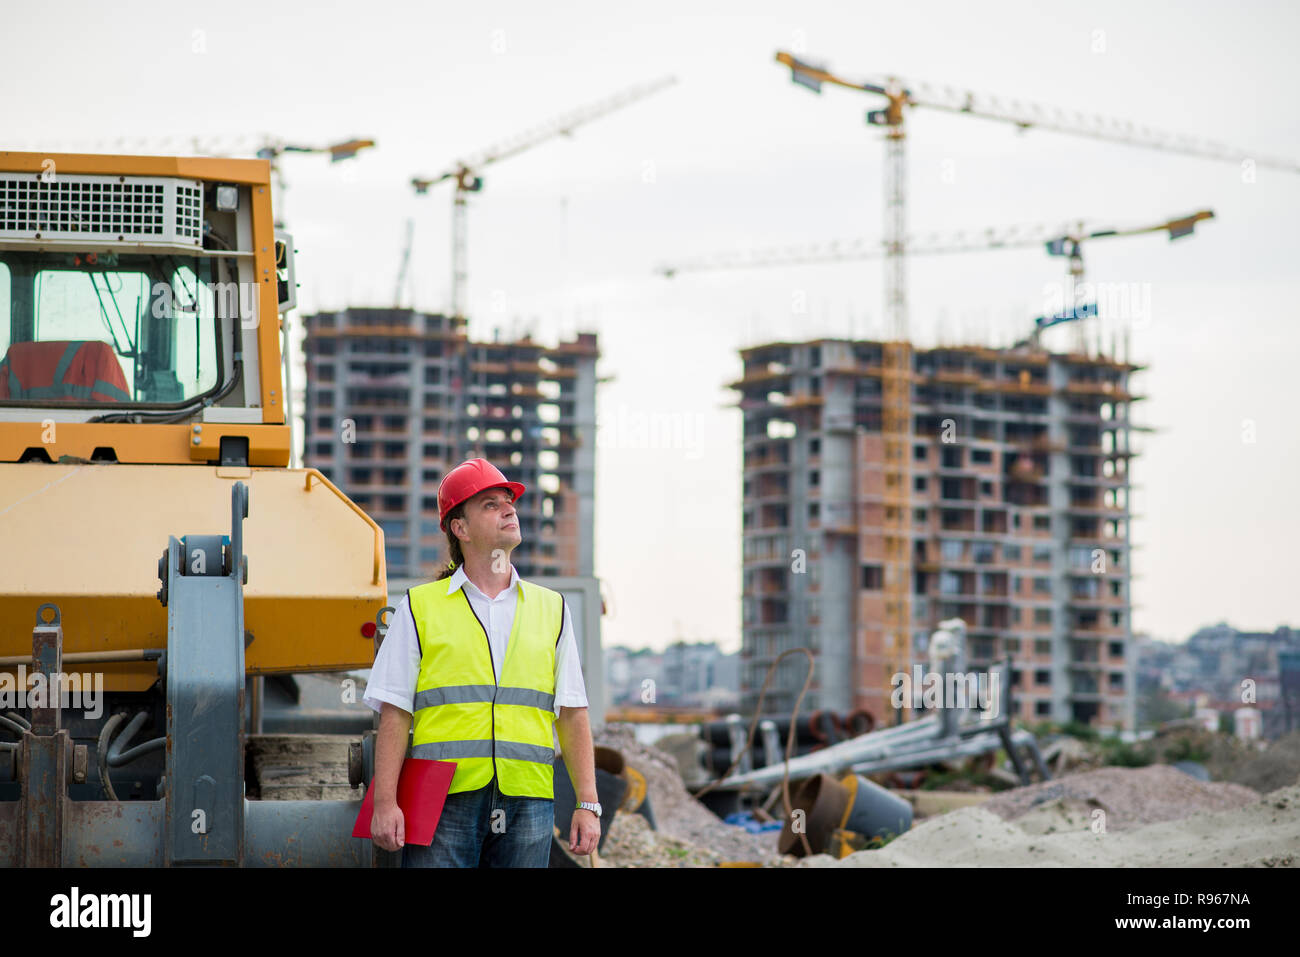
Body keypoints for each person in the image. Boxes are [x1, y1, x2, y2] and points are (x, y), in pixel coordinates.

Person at [363, 458, 601, 867]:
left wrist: (588, 803)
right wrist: (385, 802)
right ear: (461, 528)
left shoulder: (552, 608)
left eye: (508, 501)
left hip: (527, 798)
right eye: (491, 504)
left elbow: (573, 712)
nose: (509, 509)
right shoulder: (420, 607)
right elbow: (395, 711)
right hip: (441, 796)